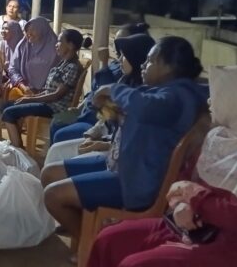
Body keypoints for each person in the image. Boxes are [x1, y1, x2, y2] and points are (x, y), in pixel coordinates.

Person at [88, 65, 237, 267]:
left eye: (220, 96)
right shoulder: (221, 137)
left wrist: (194, 200)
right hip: (190, 228)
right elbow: (186, 178)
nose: (210, 101)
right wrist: (182, 203)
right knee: (108, 240)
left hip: (233, 250)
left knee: (135, 264)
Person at [41, 36, 208, 242]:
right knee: (50, 173)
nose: (143, 65)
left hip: (137, 183)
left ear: (168, 66)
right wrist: (109, 110)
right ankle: (90, 235)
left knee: (53, 196)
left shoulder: (179, 97)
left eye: (150, 61)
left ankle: (91, 246)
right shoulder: (161, 91)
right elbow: (128, 120)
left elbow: (145, 107)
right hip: (122, 164)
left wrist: (112, 89)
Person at [42, 34, 156, 168]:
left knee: (59, 141)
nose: (119, 59)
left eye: (123, 55)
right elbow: (106, 114)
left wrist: (101, 143)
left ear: (135, 57)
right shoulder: (125, 80)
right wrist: (91, 134)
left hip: (112, 150)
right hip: (98, 127)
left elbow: (123, 132)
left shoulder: (139, 95)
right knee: (56, 138)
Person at [49, 22, 151, 144]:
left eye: (121, 42)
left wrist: (103, 62)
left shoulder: (129, 75)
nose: (117, 46)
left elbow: (107, 100)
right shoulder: (118, 66)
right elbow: (94, 91)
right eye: (115, 42)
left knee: (60, 132)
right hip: (87, 112)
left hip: (95, 118)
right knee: (57, 122)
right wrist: (79, 107)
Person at [1, 29, 85, 147]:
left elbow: (57, 95)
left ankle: (18, 149)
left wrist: (30, 99)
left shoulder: (73, 67)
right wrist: (31, 97)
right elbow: (48, 91)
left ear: (70, 45)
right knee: (7, 105)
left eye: (60, 41)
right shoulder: (63, 63)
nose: (56, 45)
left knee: (8, 113)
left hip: (55, 107)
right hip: (48, 102)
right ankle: (17, 145)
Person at [6, 17, 59, 101]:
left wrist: (40, 94)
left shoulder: (56, 49)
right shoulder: (23, 46)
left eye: (33, 29)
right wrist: (24, 87)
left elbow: (59, 77)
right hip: (24, 91)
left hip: (48, 96)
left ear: (43, 30)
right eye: (27, 30)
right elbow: (12, 69)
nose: (29, 33)